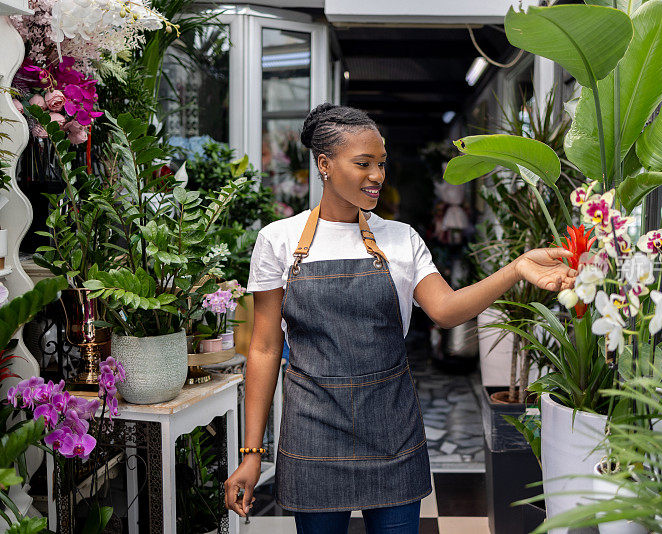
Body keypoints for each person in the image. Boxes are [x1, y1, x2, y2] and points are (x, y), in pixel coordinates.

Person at [223, 103, 577, 534]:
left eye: (382, 164)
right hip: (311, 428)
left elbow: (446, 311)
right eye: (364, 163)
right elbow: (264, 347)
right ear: (325, 164)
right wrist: (251, 453)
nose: (377, 175)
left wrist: (516, 267)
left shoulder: (401, 238)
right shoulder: (277, 240)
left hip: (391, 427)